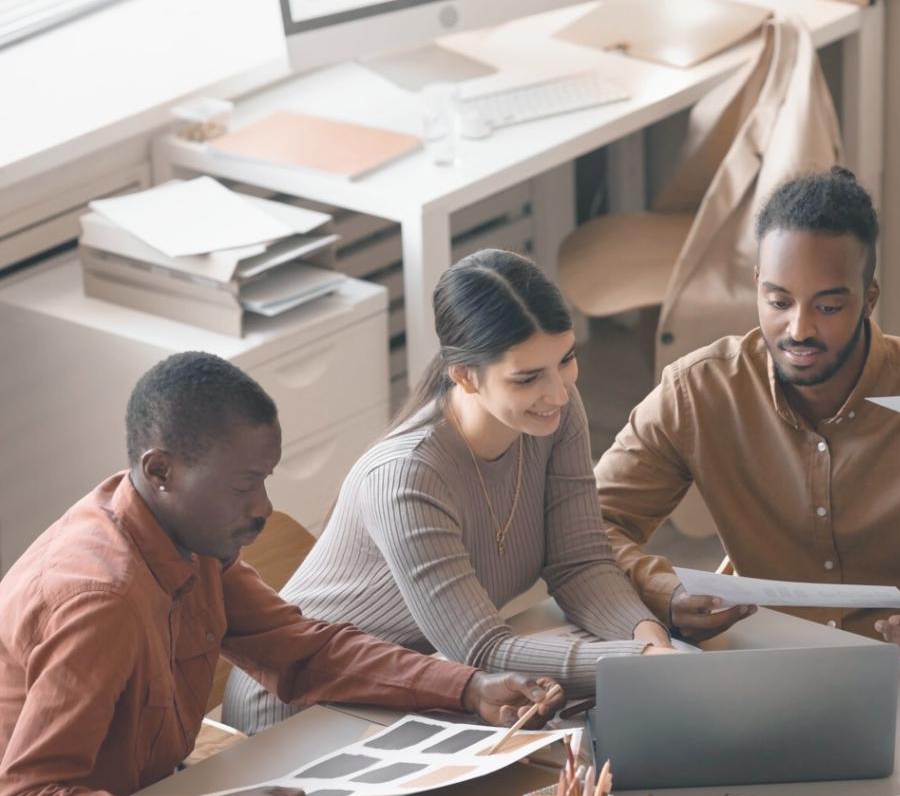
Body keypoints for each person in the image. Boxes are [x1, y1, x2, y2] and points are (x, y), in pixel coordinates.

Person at [0, 352, 561, 796]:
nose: (263, 507)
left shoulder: (187, 540)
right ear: (160, 471)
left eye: (264, 480)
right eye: (244, 486)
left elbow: (305, 651)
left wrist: (467, 687)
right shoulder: (100, 602)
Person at [225, 250, 673, 734]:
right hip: (299, 711)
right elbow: (481, 649)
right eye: (528, 378)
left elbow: (580, 562)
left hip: (418, 689)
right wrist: (636, 662)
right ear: (463, 375)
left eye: (566, 359)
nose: (560, 392)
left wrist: (650, 640)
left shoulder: (551, 413)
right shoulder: (406, 476)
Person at [595, 167, 900, 668]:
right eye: (778, 301)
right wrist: (666, 593)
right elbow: (591, 528)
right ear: (757, 287)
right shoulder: (697, 391)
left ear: (868, 300)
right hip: (757, 658)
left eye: (829, 306)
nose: (799, 329)